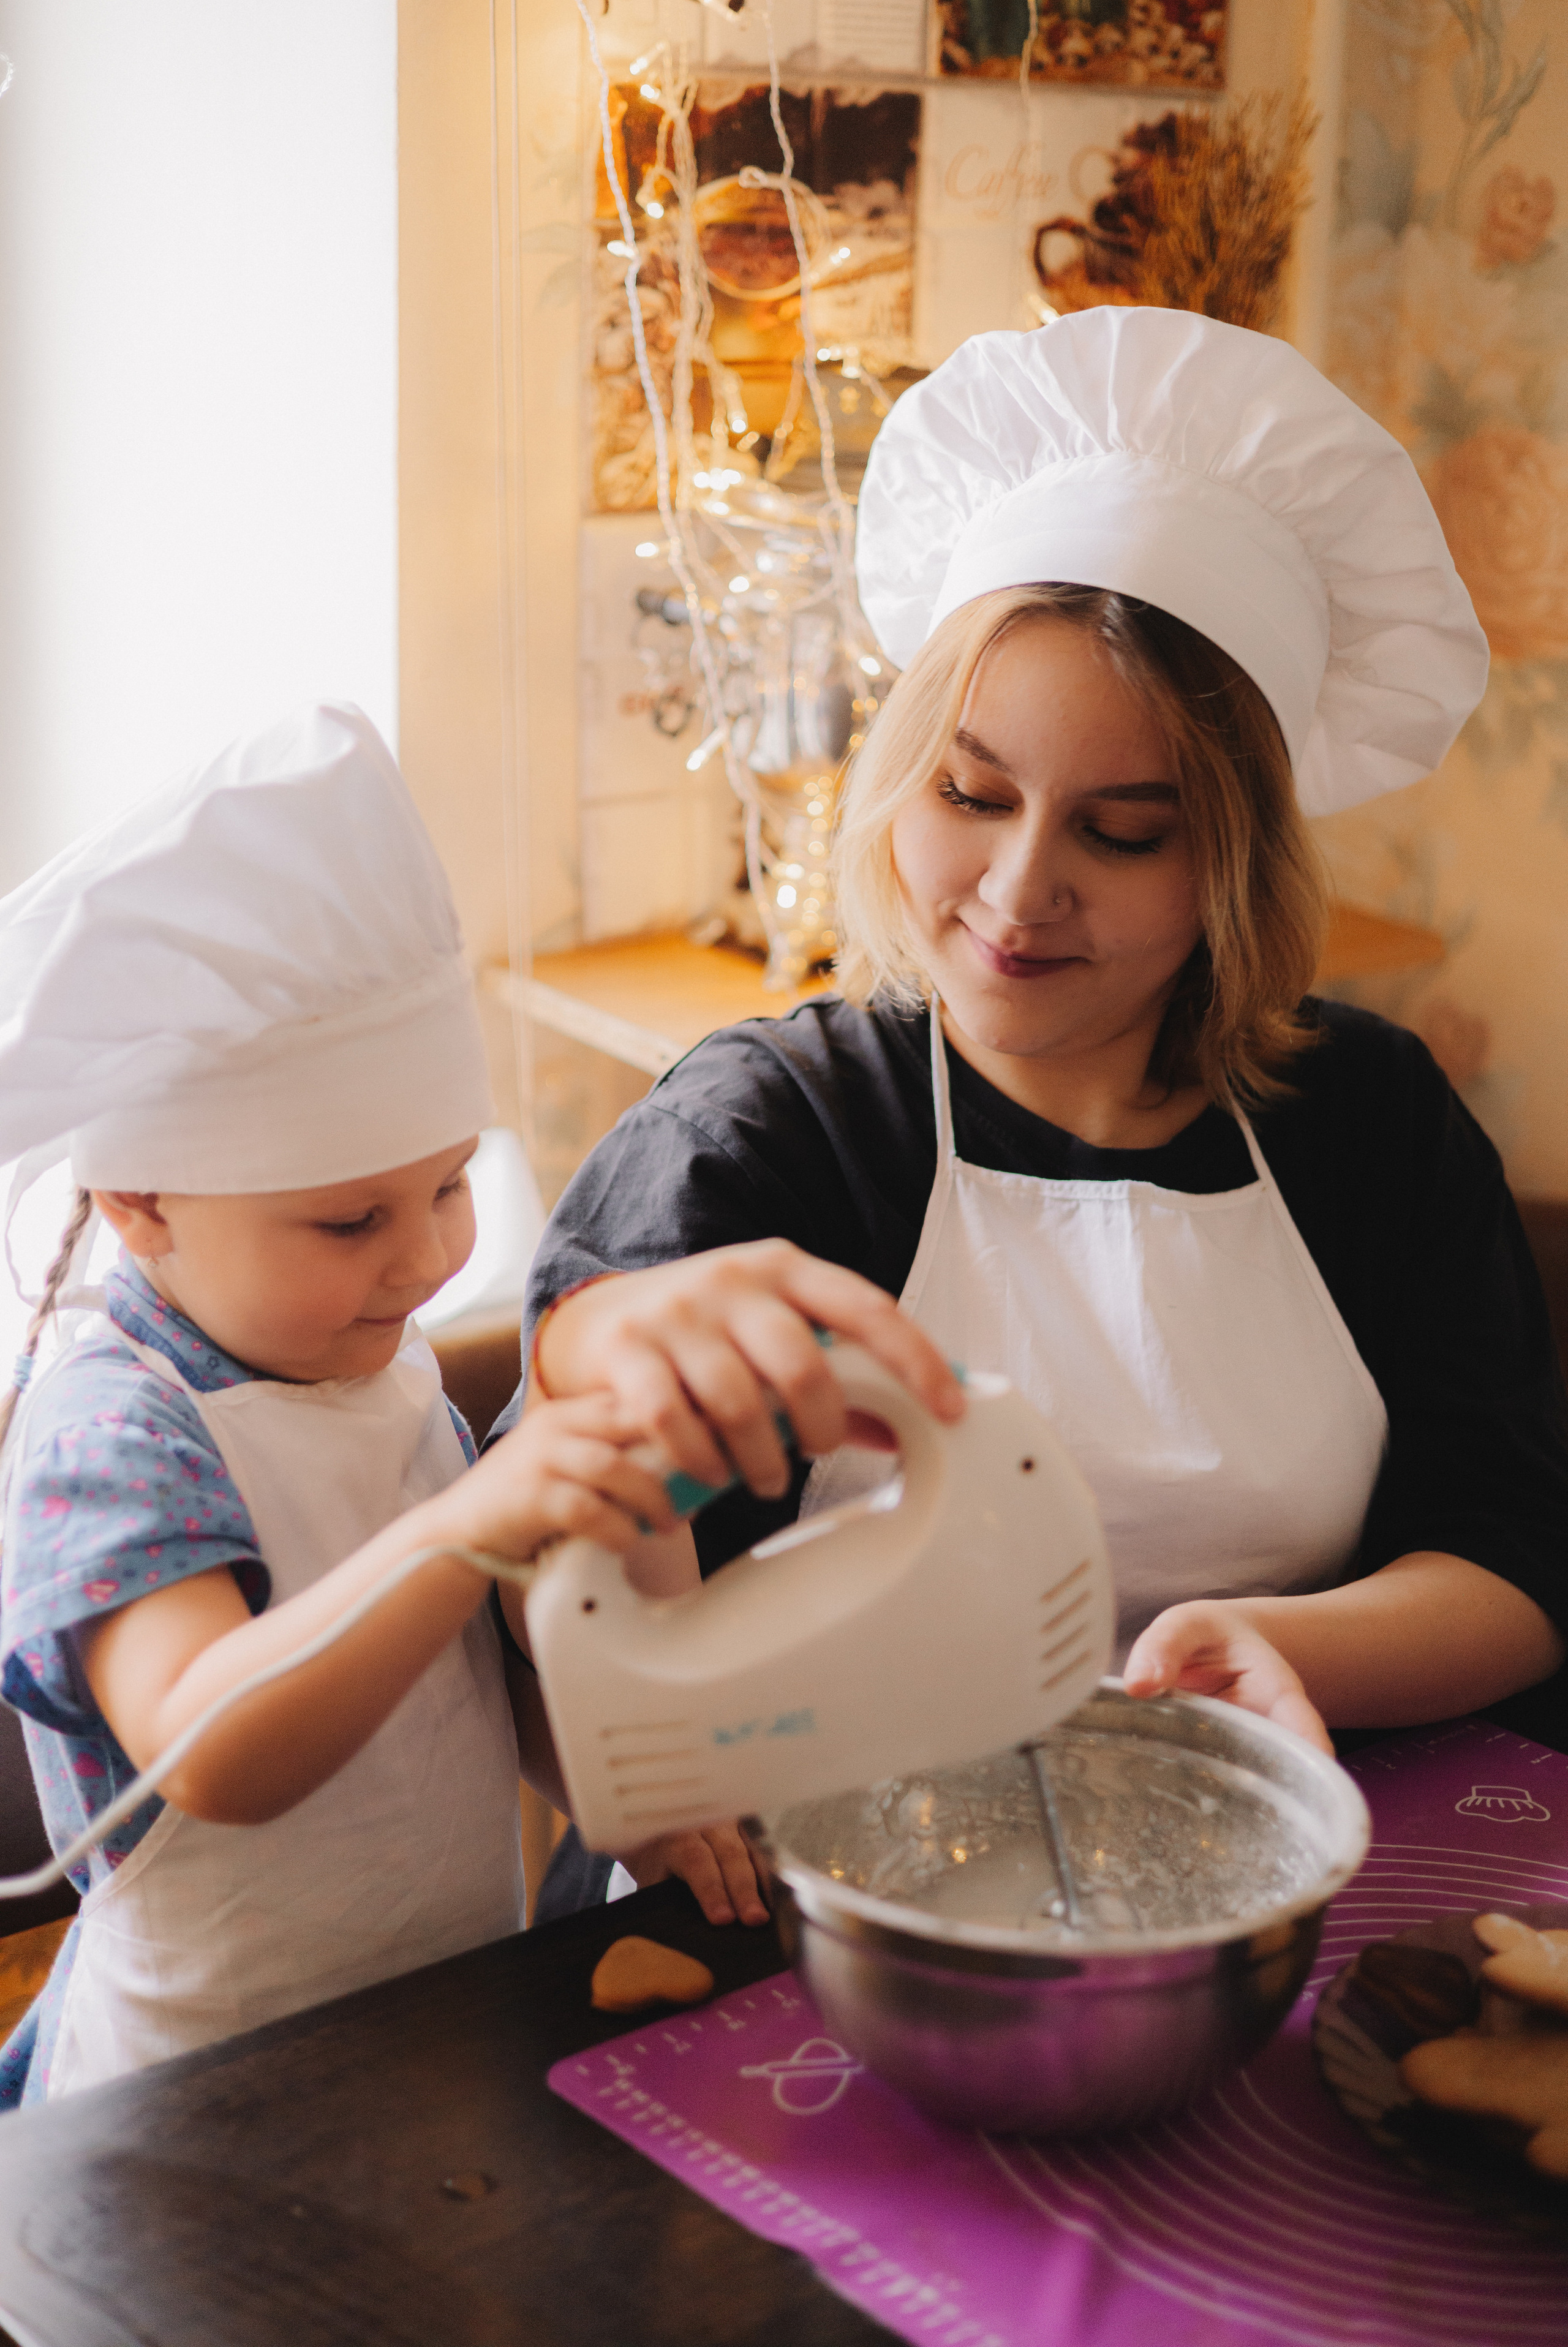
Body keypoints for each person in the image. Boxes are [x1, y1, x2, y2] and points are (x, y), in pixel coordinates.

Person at [502, 308, 1568, 1916]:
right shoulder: (766, 1140)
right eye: (971, 795)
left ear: (1235, 866)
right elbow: (572, 1624)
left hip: (1256, 1858)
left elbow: (1511, 1563)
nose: (1014, 895)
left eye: (1124, 831)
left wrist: (1275, 1650)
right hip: (820, 1903)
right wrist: (600, 1407)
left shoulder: (1369, 1123)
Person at [0, 704, 688, 2105]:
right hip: (198, 2104)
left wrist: (639, 1802)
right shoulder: (115, 1436)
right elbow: (210, 1750)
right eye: (350, 1220)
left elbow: (473, 1687)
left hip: (433, 2030)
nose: (432, 1257)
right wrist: (466, 1530)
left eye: (448, 1185)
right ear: (140, 1203)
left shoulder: (372, 1362)